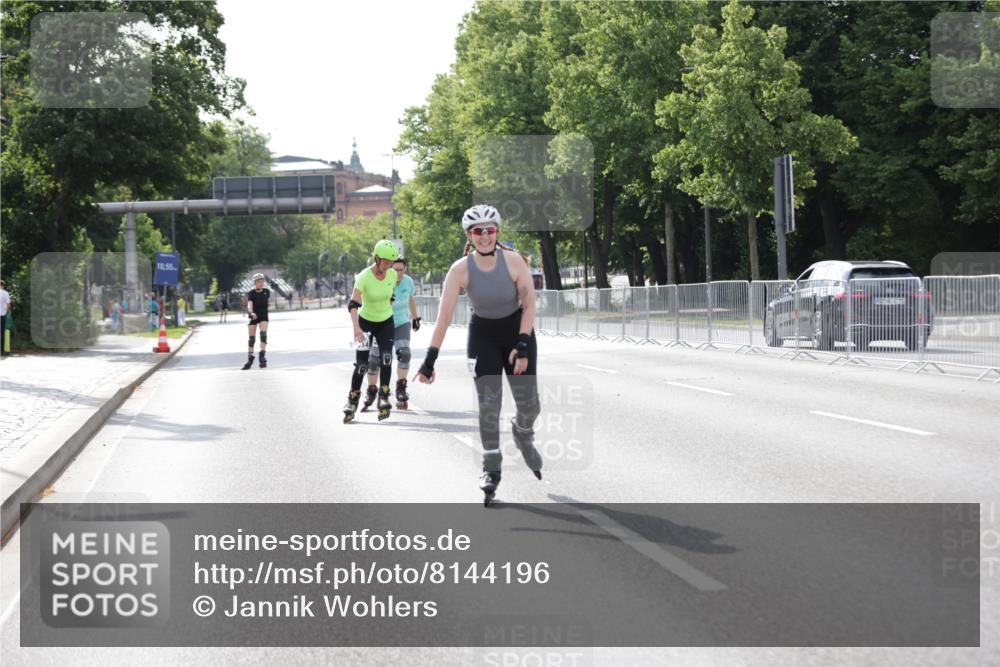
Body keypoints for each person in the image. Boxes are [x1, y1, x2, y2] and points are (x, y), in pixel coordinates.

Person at [416, 204, 542, 505]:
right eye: (477, 231)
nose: (484, 236)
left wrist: (522, 344)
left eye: (490, 230)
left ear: (497, 232)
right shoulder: (460, 270)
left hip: (517, 333)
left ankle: (522, 432)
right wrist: (430, 358)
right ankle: (491, 468)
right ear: (468, 235)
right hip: (483, 335)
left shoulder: (513, 262)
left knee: (530, 405)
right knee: (489, 405)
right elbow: (445, 316)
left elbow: (529, 306)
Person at [343, 240, 400, 423]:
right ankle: (352, 399)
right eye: (385, 261)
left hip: (385, 322)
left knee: (386, 358)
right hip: (365, 323)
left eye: (391, 262)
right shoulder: (364, 277)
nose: (389, 265)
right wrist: (356, 327)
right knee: (362, 364)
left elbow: (390, 294)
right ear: (376, 258)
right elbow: (353, 304)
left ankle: (383, 395)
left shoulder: (392, 274)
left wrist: (386, 305)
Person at [361, 257, 421, 411]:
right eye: (396, 270)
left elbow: (411, 299)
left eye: (402, 270)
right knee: (375, 360)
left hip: (401, 323)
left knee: (404, 353)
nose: (399, 273)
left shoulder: (408, 282)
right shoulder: (382, 280)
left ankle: (401, 388)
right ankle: (372, 390)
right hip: (380, 324)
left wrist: (415, 317)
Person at [242, 274, 270, 369]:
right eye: (258, 281)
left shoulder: (267, 291)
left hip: (263, 315)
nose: (261, 283)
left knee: (263, 334)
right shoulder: (251, 293)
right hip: (253, 315)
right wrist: (251, 312)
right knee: (251, 339)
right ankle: (250, 359)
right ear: (255, 283)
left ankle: (262, 355)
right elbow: (249, 305)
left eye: (262, 281)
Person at [0, 279, 11, 357]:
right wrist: (7, 311)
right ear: (3, 285)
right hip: (2, 315)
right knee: (2, 333)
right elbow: (8, 305)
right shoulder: (5, 293)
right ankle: (1, 351)